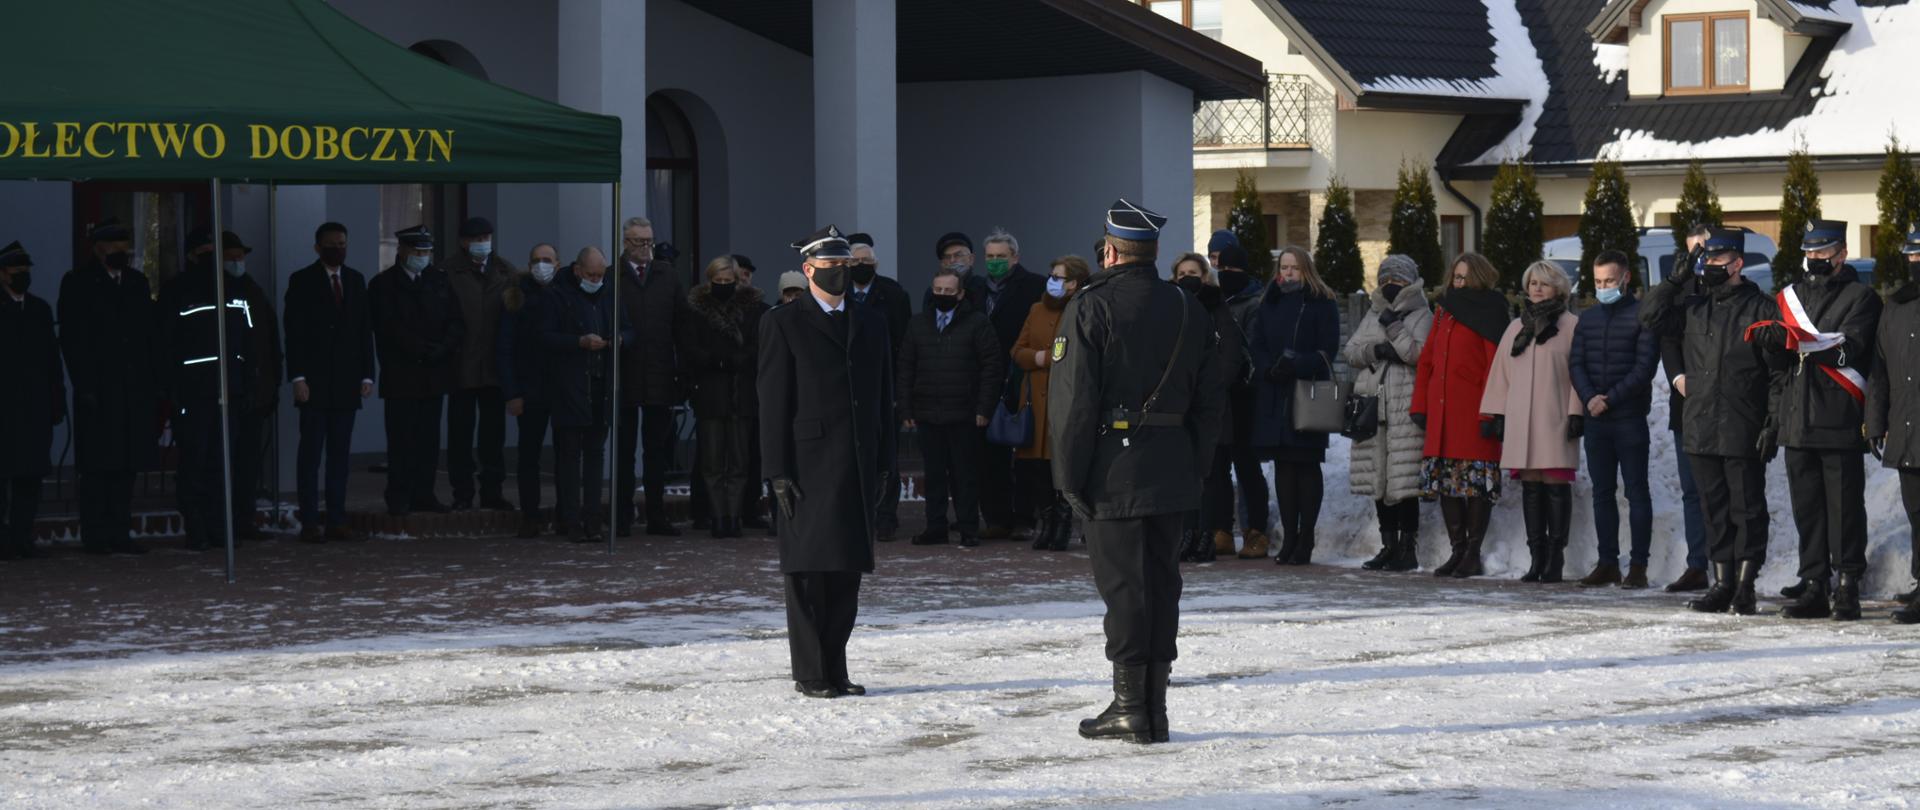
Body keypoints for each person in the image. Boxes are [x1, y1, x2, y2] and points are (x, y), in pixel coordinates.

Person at [1052, 199, 1224, 744]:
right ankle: (1153, 708)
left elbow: (1075, 403)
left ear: (1108, 250)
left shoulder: (1090, 306)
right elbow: (1210, 398)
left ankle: (1132, 708)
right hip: (1171, 464)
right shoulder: (1187, 306)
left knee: (1126, 591)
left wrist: (1068, 477)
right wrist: (1196, 463)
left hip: (1113, 469)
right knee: (1161, 587)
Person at [758, 225, 894, 699]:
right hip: (807, 464)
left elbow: (883, 397)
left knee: (846, 573)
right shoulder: (783, 322)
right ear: (809, 269)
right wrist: (775, 471)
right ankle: (811, 673)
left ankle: (835, 669)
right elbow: (772, 402)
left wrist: (886, 462)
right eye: (832, 268)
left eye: (846, 267)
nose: (840, 275)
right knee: (809, 572)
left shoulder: (870, 320)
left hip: (857, 459)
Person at [1642, 227, 1784, 616]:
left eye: (1718, 259)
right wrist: (1675, 277)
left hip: (1743, 424)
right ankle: (1721, 583)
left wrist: (1773, 422)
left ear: (1737, 263)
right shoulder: (1694, 307)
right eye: (1707, 259)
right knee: (1714, 509)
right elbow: (1649, 316)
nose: (1710, 266)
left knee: (1747, 509)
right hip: (1701, 424)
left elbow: (1778, 374)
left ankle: (1745, 586)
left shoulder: (1762, 309)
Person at [1754, 220, 1880, 621]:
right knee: (1807, 508)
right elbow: (1779, 368)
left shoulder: (1862, 297)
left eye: (1822, 253)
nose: (1814, 261)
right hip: (1797, 417)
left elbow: (1855, 347)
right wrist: (1774, 344)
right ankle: (1814, 583)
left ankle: (1847, 584)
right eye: (1809, 254)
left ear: (1841, 254)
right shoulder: (1790, 297)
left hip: (1839, 417)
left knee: (1844, 507)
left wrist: (1810, 343)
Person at [59, 218, 159, 555]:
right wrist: (85, 385)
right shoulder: (78, 283)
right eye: (115, 246)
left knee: (126, 465)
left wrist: (150, 383)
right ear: (98, 248)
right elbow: (73, 339)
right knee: (98, 466)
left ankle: (120, 530)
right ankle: (96, 533)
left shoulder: (136, 282)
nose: (122, 252)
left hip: (133, 390)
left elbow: (147, 335)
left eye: (125, 246)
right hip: (99, 390)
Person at [1481, 261, 1584, 583]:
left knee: (1554, 484)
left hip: (1555, 417)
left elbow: (1579, 373)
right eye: (1533, 282)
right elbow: (1501, 375)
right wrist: (1497, 413)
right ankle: (1536, 556)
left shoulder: (1571, 326)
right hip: (1522, 421)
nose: (1537, 288)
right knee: (1531, 487)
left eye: (1545, 283)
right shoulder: (1515, 329)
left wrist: (1576, 412)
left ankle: (1555, 557)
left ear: (1559, 289)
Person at [1412, 252, 1510, 579]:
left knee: (1475, 484)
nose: (1460, 283)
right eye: (1457, 276)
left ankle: (1473, 552)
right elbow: (1427, 361)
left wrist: (1491, 412)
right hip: (1442, 412)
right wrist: (1420, 406)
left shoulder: (1491, 310)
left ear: (1480, 277)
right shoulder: (1444, 311)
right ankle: (1457, 551)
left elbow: (1496, 367)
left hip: (1473, 413)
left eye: (1466, 277)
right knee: (1446, 483)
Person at [163, 228, 261, 552]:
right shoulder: (177, 290)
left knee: (223, 463)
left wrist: (246, 382)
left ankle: (220, 526)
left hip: (229, 390)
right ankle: (197, 527)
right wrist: (172, 389)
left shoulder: (234, 288)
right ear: (192, 255)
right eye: (205, 251)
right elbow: (165, 343)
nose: (211, 258)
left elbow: (249, 339)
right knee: (195, 461)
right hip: (193, 392)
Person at [1568, 250, 1660, 588]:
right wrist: (1590, 397)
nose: (1603, 286)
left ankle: (1638, 566)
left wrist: (1610, 399)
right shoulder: (1587, 319)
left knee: (1637, 491)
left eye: (1609, 280)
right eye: (1598, 281)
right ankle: (1607, 562)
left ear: (1625, 279)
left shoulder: (1642, 316)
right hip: (1596, 421)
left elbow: (1644, 368)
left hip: (1629, 418)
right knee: (1601, 493)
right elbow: (1575, 363)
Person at [1247, 245, 1341, 565]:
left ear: (1306, 270)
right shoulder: (1269, 301)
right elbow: (1255, 342)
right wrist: (1267, 368)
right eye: (1284, 267)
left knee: (1306, 466)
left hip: (1307, 393)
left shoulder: (1320, 303)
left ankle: (1307, 537)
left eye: (1294, 268)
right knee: (1283, 467)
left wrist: (1298, 364)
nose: (1287, 273)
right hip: (1274, 392)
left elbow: (1329, 348)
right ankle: (1289, 536)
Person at [898, 267, 1002, 547]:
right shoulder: (918, 324)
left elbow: (991, 368)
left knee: (965, 475)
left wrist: (984, 408)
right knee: (933, 476)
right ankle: (935, 527)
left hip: (965, 413)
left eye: (949, 291)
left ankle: (969, 528)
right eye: (938, 290)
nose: (942, 295)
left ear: (961, 294)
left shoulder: (978, 323)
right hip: (928, 412)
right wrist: (906, 409)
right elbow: (906, 367)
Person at [285, 222, 374, 543]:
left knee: (340, 455)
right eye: (331, 244)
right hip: (314, 382)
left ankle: (337, 518)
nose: (338, 248)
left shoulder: (355, 280)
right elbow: (293, 333)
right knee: (310, 454)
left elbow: (365, 331)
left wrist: (367, 374)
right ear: (318, 247)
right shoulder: (302, 281)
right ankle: (310, 520)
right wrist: (298, 377)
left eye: (342, 243)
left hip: (347, 382)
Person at [369, 225, 465, 516]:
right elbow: (387, 328)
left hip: (434, 375)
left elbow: (456, 321)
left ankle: (425, 493)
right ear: (402, 251)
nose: (422, 257)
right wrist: (420, 349)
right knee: (401, 440)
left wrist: (442, 348)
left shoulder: (439, 280)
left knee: (428, 440)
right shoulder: (384, 284)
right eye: (417, 251)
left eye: (426, 252)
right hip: (402, 375)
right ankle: (398, 496)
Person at [1346, 254, 1432, 572]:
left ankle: (1408, 548)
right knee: (1380, 480)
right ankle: (1388, 545)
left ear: (1409, 281)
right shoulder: (1373, 312)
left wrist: (1394, 330)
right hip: (1373, 407)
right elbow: (1351, 351)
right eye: (1385, 280)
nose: (1390, 285)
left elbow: (1417, 354)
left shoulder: (1422, 314)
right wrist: (1375, 350)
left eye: (1397, 280)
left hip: (1403, 405)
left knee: (1403, 481)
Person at [544, 247, 632, 543]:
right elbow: (544, 337)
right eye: (591, 274)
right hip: (571, 385)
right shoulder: (559, 295)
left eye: (601, 274)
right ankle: (570, 519)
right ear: (578, 270)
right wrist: (578, 342)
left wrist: (620, 338)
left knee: (596, 453)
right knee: (569, 456)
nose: (597, 279)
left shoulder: (610, 294)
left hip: (601, 384)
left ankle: (594, 519)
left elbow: (630, 329)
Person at [199, 229, 281, 542]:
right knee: (222, 462)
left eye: (240, 256)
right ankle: (221, 522)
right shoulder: (216, 291)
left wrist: (272, 381)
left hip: (255, 391)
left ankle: (243, 519)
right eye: (230, 257)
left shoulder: (253, 290)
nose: (237, 261)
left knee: (248, 463)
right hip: (226, 391)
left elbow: (269, 340)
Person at [680, 255, 767, 539]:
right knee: (713, 461)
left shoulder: (752, 308)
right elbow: (690, 347)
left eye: (728, 281)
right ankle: (719, 516)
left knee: (740, 461)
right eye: (718, 281)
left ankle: (735, 515)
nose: (723, 286)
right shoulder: (697, 310)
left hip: (742, 392)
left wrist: (739, 359)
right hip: (711, 393)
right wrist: (716, 360)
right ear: (709, 280)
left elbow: (757, 345)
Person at [1170, 253, 1247, 563]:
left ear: (1205, 277)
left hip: (1211, 407)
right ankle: (1185, 533)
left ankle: (1208, 534)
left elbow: (1230, 358)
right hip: (1177, 407)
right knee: (1182, 474)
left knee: (1213, 474)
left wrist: (1206, 392)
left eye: (1193, 272)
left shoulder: (1218, 308)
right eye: (1182, 272)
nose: (1187, 277)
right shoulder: (1169, 307)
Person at [1012, 255, 1091, 552]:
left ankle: (1062, 522)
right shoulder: (1036, 309)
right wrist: (1037, 358)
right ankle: (1045, 522)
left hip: (1065, 400)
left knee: (1061, 465)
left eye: (1059, 277)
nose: (1053, 281)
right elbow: (1017, 351)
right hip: (1036, 402)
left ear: (1074, 283)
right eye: (1052, 275)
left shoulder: (1084, 308)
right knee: (1037, 470)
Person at [614, 217, 687, 537]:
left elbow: (682, 327)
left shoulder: (667, 276)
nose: (645, 248)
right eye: (638, 242)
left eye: (649, 241)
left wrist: (682, 373)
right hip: (624, 376)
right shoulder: (611, 277)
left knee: (656, 451)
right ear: (625, 243)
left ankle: (657, 515)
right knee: (624, 450)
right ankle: (622, 515)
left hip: (659, 374)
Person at [442, 217, 516, 512]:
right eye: (476, 237)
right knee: (460, 435)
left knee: (493, 436)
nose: (483, 242)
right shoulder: (448, 271)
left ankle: (492, 491)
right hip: (460, 367)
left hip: (495, 368)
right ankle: (462, 492)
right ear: (463, 242)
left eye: (487, 236)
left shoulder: (506, 271)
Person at [0, 242, 65, 560]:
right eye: (16, 271)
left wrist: (57, 399)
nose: (22, 276)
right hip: (5, 406)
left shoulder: (39, 309)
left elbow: (52, 360)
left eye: (26, 271)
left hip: (34, 405)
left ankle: (22, 536)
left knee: (30, 477)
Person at [847, 233, 912, 541]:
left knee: (887, 453)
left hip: (884, 385)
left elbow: (905, 347)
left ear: (875, 263)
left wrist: (901, 392)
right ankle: (856, 513)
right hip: (847, 386)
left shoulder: (893, 295)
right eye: (855, 262)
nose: (861, 266)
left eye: (866, 261)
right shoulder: (839, 292)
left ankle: (885, 515)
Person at [1660, 226, 1714, 592]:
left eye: (1706, 250)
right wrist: (1677, 377)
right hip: (1687, 403)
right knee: (1692, 490)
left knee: (1722, 490)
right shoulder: (1679, 294)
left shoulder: (1732, 292)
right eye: (1694, 251)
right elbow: (1665, 335)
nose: (1701, 258)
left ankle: (1729, 563)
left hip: (1725, 405)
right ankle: (1698, 564)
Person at [1871, 230, 1920, 624]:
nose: (1915, 262)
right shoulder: (1897, 307)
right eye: (1913, 256)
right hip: (1907, 429)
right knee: (1916, 511)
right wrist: (1875, 421)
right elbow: (1880, 369)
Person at [499, 243, 563, 538]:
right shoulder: (516, 298)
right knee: (529, 456)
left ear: (558, 264)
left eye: (547, 260)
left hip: (562, 388)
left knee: (567, 454)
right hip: (529, 389)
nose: (542, 265)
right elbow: (506, 347)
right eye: (536, 260)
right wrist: (512, 392)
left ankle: (567, 512)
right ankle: (530, 514)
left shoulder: (566, 294)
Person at [1214, 244, 1269, 558]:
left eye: (1233, 271)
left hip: (1245, 394)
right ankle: (1221, 529)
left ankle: (1256, 530)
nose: (1227, 276)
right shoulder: (1217, 299)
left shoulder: (1253, 303)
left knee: (1247, 465)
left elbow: (1251, 348)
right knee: (1218, 464)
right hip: (1220, 394)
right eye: (1223, 270)